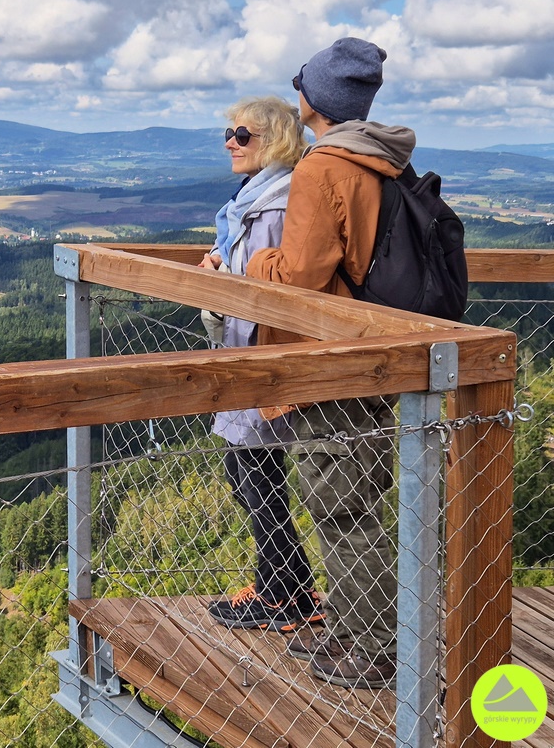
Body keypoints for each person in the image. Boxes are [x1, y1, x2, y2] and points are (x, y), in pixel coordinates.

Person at [246, 37, 412, 690]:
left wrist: (255, 265)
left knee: (343, 510)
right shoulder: (378, 162)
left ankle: (372, 647)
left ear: (316, 98)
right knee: (353, 504)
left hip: (335, 361)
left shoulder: (324, 168)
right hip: (374, 354)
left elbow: (302, 275)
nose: (297, 93)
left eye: (301, 83)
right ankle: (350, 634)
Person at [199, 96, 324, 633]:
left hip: (260, 355)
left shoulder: (272, 206)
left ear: (272, 141)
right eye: (229, 132)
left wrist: (220, 279)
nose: (230, 140)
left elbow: (266, 291)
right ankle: (284, 587)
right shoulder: (258, 197)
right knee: (250, 469)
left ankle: (285, 595)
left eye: (242, 134)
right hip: (251, 353)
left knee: (254, 470)